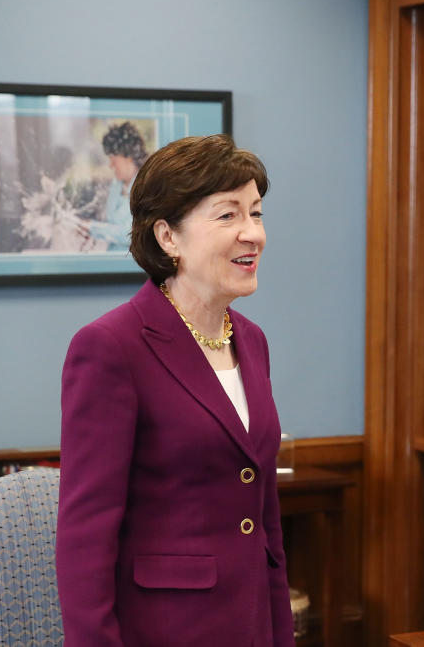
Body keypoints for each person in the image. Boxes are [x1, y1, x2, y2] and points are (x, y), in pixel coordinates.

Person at [56, 134, 294, 646]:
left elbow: (265, 522)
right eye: (228, 216)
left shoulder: (252, 341)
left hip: (250, 623)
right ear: (168, 236)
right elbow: (85, 539)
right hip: (162, 631)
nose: (252, 233)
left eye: (256, 213)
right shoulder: (109, 347)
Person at [86, 121, 148, 250]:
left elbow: (132, 234)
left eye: (113, 158)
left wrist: (93, 228)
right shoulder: (116, 186)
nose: (110, 165)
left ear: (128, 156)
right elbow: (112, 226)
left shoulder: (147, 186)